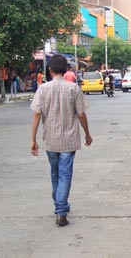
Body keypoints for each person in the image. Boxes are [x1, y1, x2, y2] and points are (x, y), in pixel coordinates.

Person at [30, 54, 93, 227]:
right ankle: (61, 211)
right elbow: (81, 114)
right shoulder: (73, 88)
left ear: (49, 70)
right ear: (66, 70)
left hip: (50, 140)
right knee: (65, 174)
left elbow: (36, 113)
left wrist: (33, 139)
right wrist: (87, 133)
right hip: (69, 139)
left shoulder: (42, 89)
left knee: (55, 173)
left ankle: (61, 206)